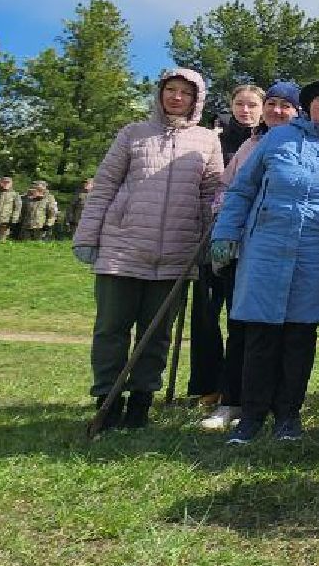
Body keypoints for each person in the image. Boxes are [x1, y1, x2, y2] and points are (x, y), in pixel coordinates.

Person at [211, 79, 319, 443]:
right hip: (267, 247)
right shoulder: (277, 139)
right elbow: (242, 189)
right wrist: (225, 234)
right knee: (260, 333)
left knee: (300, 335)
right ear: (308, 105)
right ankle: (250, 416)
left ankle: (288, 415)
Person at [73, 69, 225, 429]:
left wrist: (209, 243)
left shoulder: (207, 141)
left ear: (195, 100)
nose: (176, 97)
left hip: (176, 251)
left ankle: (142, 400)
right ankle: (108, 398)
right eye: (170, 90)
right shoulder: (133, 133)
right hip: (123, 245)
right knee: (111, 327)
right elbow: (105, 186)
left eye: (184, 93)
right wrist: (87, 235)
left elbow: (211, 197)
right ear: (160, 94)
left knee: (156, 332)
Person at [198, 82, 300, 432]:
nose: (278, 111)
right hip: (244, 249)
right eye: (272, 104)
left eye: (287, 106)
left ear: (298, 112)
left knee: (286, 331)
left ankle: (277, 403)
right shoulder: (250, 144)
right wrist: (225, 221)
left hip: (285, 252)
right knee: (241, 327)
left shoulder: (307, 146)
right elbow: (227, 188)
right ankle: (233, 401)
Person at [189, 83, 264, 415]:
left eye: (252, 105)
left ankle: (235, 385)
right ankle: (208, 384)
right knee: (204, 313)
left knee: (238, 316)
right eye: (239, 104)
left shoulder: (266, 141)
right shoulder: (213, 139)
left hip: (247, 243)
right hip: (210, 236)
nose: (245, 110)